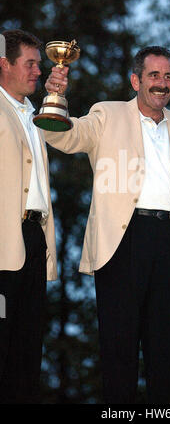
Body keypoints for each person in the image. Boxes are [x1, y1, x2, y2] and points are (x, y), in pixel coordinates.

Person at [44, 46, 170, 404]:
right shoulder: (107, 114)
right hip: (121, 244)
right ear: (135, 80)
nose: (162, 83)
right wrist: (56, 96)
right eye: (154, 75)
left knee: (165, 352)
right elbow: (64, 136)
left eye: (168, 76)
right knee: (119, 351)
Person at [0, 29, 57, 404]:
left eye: (39, 63)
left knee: (27, 351)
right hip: (3, 243)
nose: (38, 71)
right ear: (4, 64)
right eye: (31, 63)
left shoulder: (34, 115)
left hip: (34, 239)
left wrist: (57, 96)